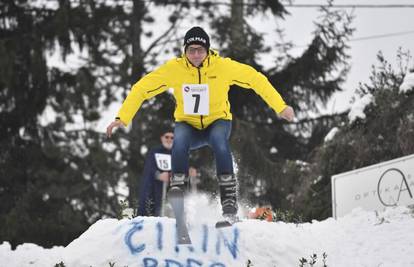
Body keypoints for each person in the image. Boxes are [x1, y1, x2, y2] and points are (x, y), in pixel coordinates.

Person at [107, 26, 295, 224]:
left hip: (218, 122)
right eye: (191, 50)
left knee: (219, 142)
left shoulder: (223, 66)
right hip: (188, 125)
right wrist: (122, 118)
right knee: (179, 142)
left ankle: (229, 204)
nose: (196, 55)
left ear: (208, 50)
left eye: (200, 50)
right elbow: (142, 88)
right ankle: (177, 191)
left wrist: (280, 106)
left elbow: (256, 80)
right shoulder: (174, 69)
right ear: (185, 51)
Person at [137, 130, 197, 217]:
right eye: (167, 137)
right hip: (153, 188)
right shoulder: (154, 151)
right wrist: (158, 175)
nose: (169, 139)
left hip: (171, 190)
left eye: (172, 138)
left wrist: (189, 172)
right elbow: (149, 167)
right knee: (150, 213)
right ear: (162, 138)